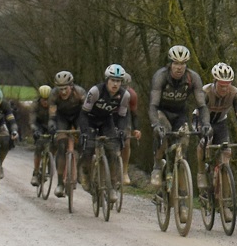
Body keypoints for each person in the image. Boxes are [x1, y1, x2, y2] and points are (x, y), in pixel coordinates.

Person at [147, 45, 205, 176]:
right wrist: (155, 124)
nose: (179, 67)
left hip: (180, 114)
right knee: (164, 131)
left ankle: (180, 184)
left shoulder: (193, 78)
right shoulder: (161, 76)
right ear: (171, 63)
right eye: (176, 63)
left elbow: (202, 105)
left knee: (184, 141)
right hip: (162, 112)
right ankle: (157, 165)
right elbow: (153, 105)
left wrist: (206, 124)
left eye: (183, 64)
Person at [84, 65, 136, 193]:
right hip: (90, 119)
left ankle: (112, 185)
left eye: (118, 81)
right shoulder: (95, 91)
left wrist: (122, 130)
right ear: (107, 80)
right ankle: (87, 176)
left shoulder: (125, 95)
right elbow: (83, 113)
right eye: (112, 80)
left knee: (112, 150)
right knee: (88, 148)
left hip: (106, 121)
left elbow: (122, 116)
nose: (115, 84)